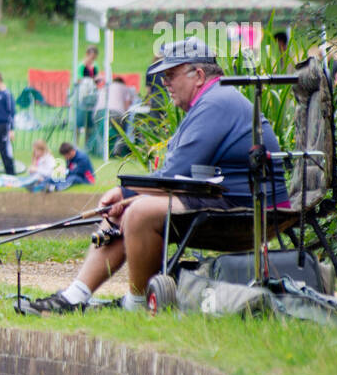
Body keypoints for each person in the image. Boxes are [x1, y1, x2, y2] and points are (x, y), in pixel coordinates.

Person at [27, 37, 289, 314]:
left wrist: (129, 195)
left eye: (171, 74)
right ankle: (74, 295)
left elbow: (175, 173)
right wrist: (126, 195)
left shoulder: (216, 102)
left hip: (248, 205)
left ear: (198, 75)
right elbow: (178, 171)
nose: (165, 82)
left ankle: (138, 304)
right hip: (223, 197)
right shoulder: (209, 101)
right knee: (120, 211)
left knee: (139, 212)